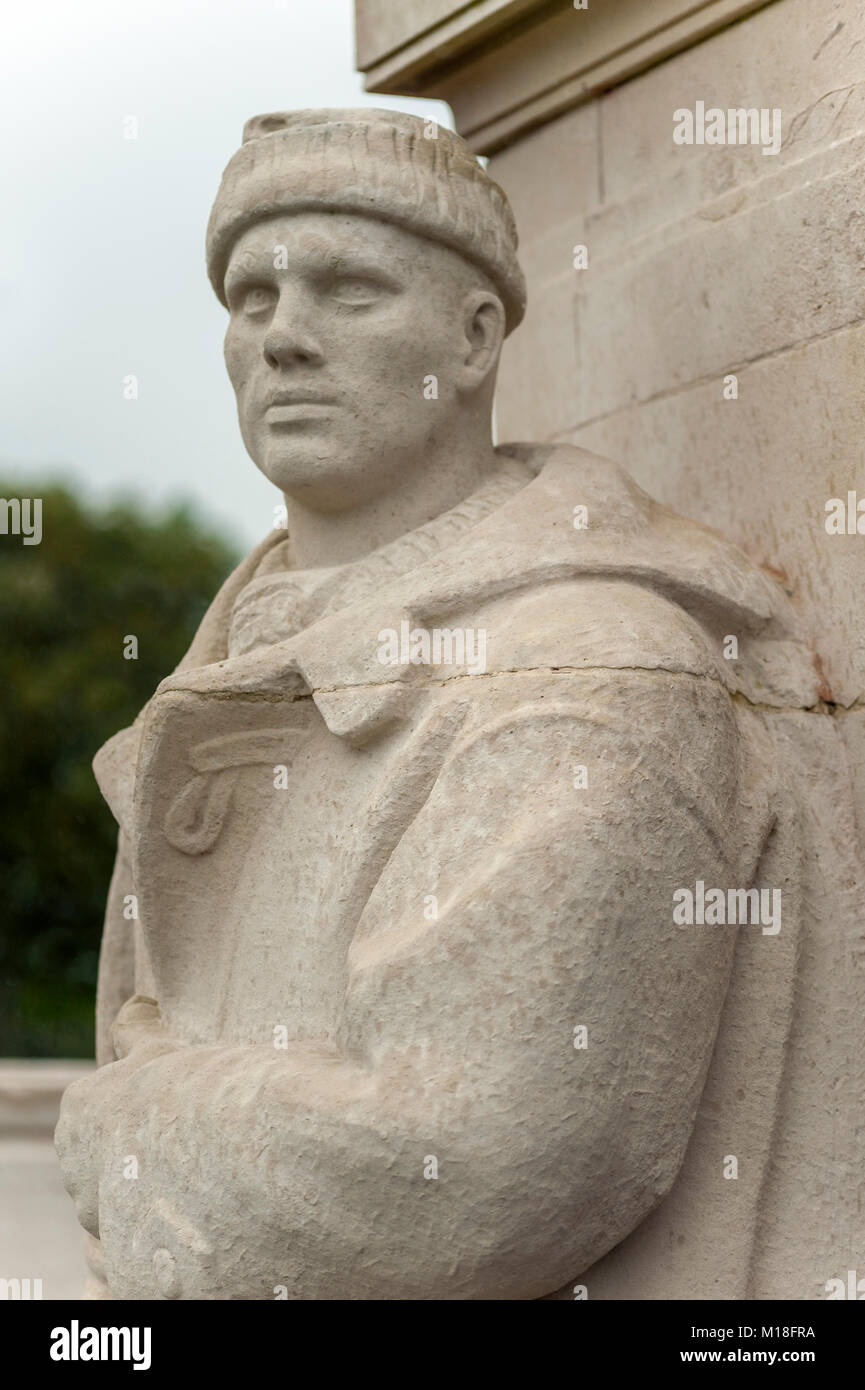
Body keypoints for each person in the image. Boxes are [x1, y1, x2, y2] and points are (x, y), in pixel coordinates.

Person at [56, 109, 817, 1300]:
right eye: (251, 299)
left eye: (350, 292)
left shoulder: (587, 672)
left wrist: (125, 1121)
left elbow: (473, 1162)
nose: (284, 338)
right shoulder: (227, 662)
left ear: (471, 341)